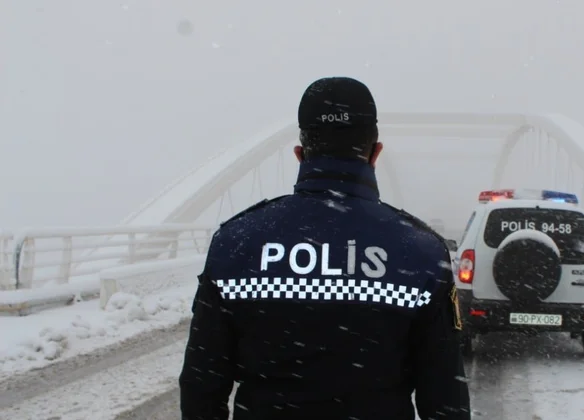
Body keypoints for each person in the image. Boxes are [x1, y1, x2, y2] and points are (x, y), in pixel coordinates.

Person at [179, 76, 471, 420]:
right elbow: (445, 397)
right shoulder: (420, 251)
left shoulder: (237, 242)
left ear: (300, 154)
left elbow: (201, 386)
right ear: (375, 153)